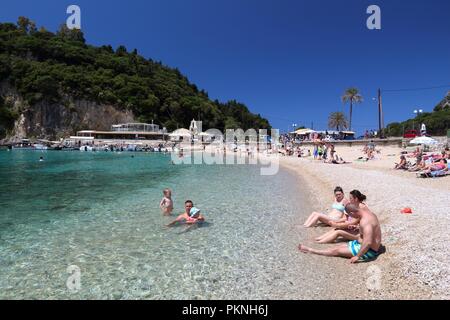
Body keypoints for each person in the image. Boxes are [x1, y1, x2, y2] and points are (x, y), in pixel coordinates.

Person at [299, 203, 383, 263]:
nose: (352, 218)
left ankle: (312, 251)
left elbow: (368, 242)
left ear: (352, 213)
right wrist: (357, 227)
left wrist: (357, 256)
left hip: (369, 250)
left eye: (350, 216)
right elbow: (370, 231)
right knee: (341, 246)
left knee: (337, 251)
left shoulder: (365, 221)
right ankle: (316, 246)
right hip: (360, 243)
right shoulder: (369, 214)